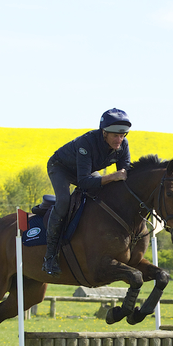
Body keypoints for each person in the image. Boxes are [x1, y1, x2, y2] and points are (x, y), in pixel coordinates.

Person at [43, 108, 132, 275]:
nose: (119, 140)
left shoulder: (122, 145)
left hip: (86, 170)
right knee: (63, 202)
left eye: (123, 135)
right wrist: (111, 177)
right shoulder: (87, 143)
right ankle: (50, 256)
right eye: (115, 135)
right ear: (104, 132)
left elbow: (124, 177)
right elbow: (84, 182)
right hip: (61, 168)